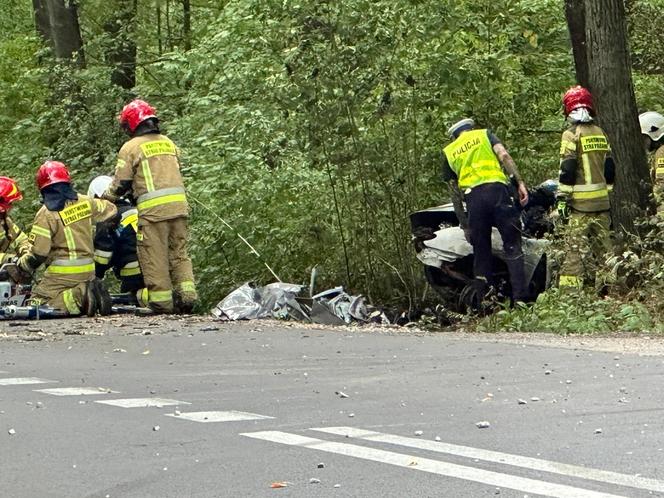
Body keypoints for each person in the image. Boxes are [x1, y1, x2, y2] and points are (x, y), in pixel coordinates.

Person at [102, 99, 197, 314]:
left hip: (154, 214)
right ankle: (187, 297)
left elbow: (121, 183)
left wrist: (106, 198)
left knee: (154, 256)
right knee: (179, 253)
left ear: (132, 124)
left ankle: (161, 304)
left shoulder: (131, 148)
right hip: (179, 209)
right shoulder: (169, 143)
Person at [441, 118, 530, 304]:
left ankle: (486, 303)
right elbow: (504, 155)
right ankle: (521, 300)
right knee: (512, 246)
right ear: (470, 128)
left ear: (454, 136)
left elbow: (454, 193)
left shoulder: (449, 152)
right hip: (498, 192)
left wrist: (465, 225)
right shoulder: (484, 135)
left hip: (474, 199)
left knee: (481, 252)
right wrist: (519, 183)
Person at [17, 161, 117, 316]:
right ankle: (87, 293)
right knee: (62, 297)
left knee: (37, 303)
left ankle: (80, 295)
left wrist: (23, 264)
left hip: (62, 274)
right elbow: (112, 210)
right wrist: (101, 234)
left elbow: (39, 253)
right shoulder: (86, 202)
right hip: (89, 270)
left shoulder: (46, 214)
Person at [556, 86, 614, 290]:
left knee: (574, 251)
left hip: (580, 207)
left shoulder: (571, 134)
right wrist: (607, 192)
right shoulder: (600, 133)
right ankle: (610, 291)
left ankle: (570, 295)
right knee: (605, 251)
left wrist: (563, 198)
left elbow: (568, 168)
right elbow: (609, 167)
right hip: (602, 204)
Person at [88, 175, 144, 299]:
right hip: (156, 267)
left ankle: (141, 297)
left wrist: (94, 276)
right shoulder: (135, 210)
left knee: (133, 298)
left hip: (134, 272)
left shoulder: (108, 217)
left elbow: (103, 254)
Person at [0, 177, 30, 264]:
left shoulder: (5, 221)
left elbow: (20, 239)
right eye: (9, 203)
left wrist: (26, 252)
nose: (11, 207)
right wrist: (9, 259)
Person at [638, 111, 664, 211]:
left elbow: (662, 183)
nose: (642, 141)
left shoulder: (661, 153)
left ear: (654, 134)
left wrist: (651, 203)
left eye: (644, 137)